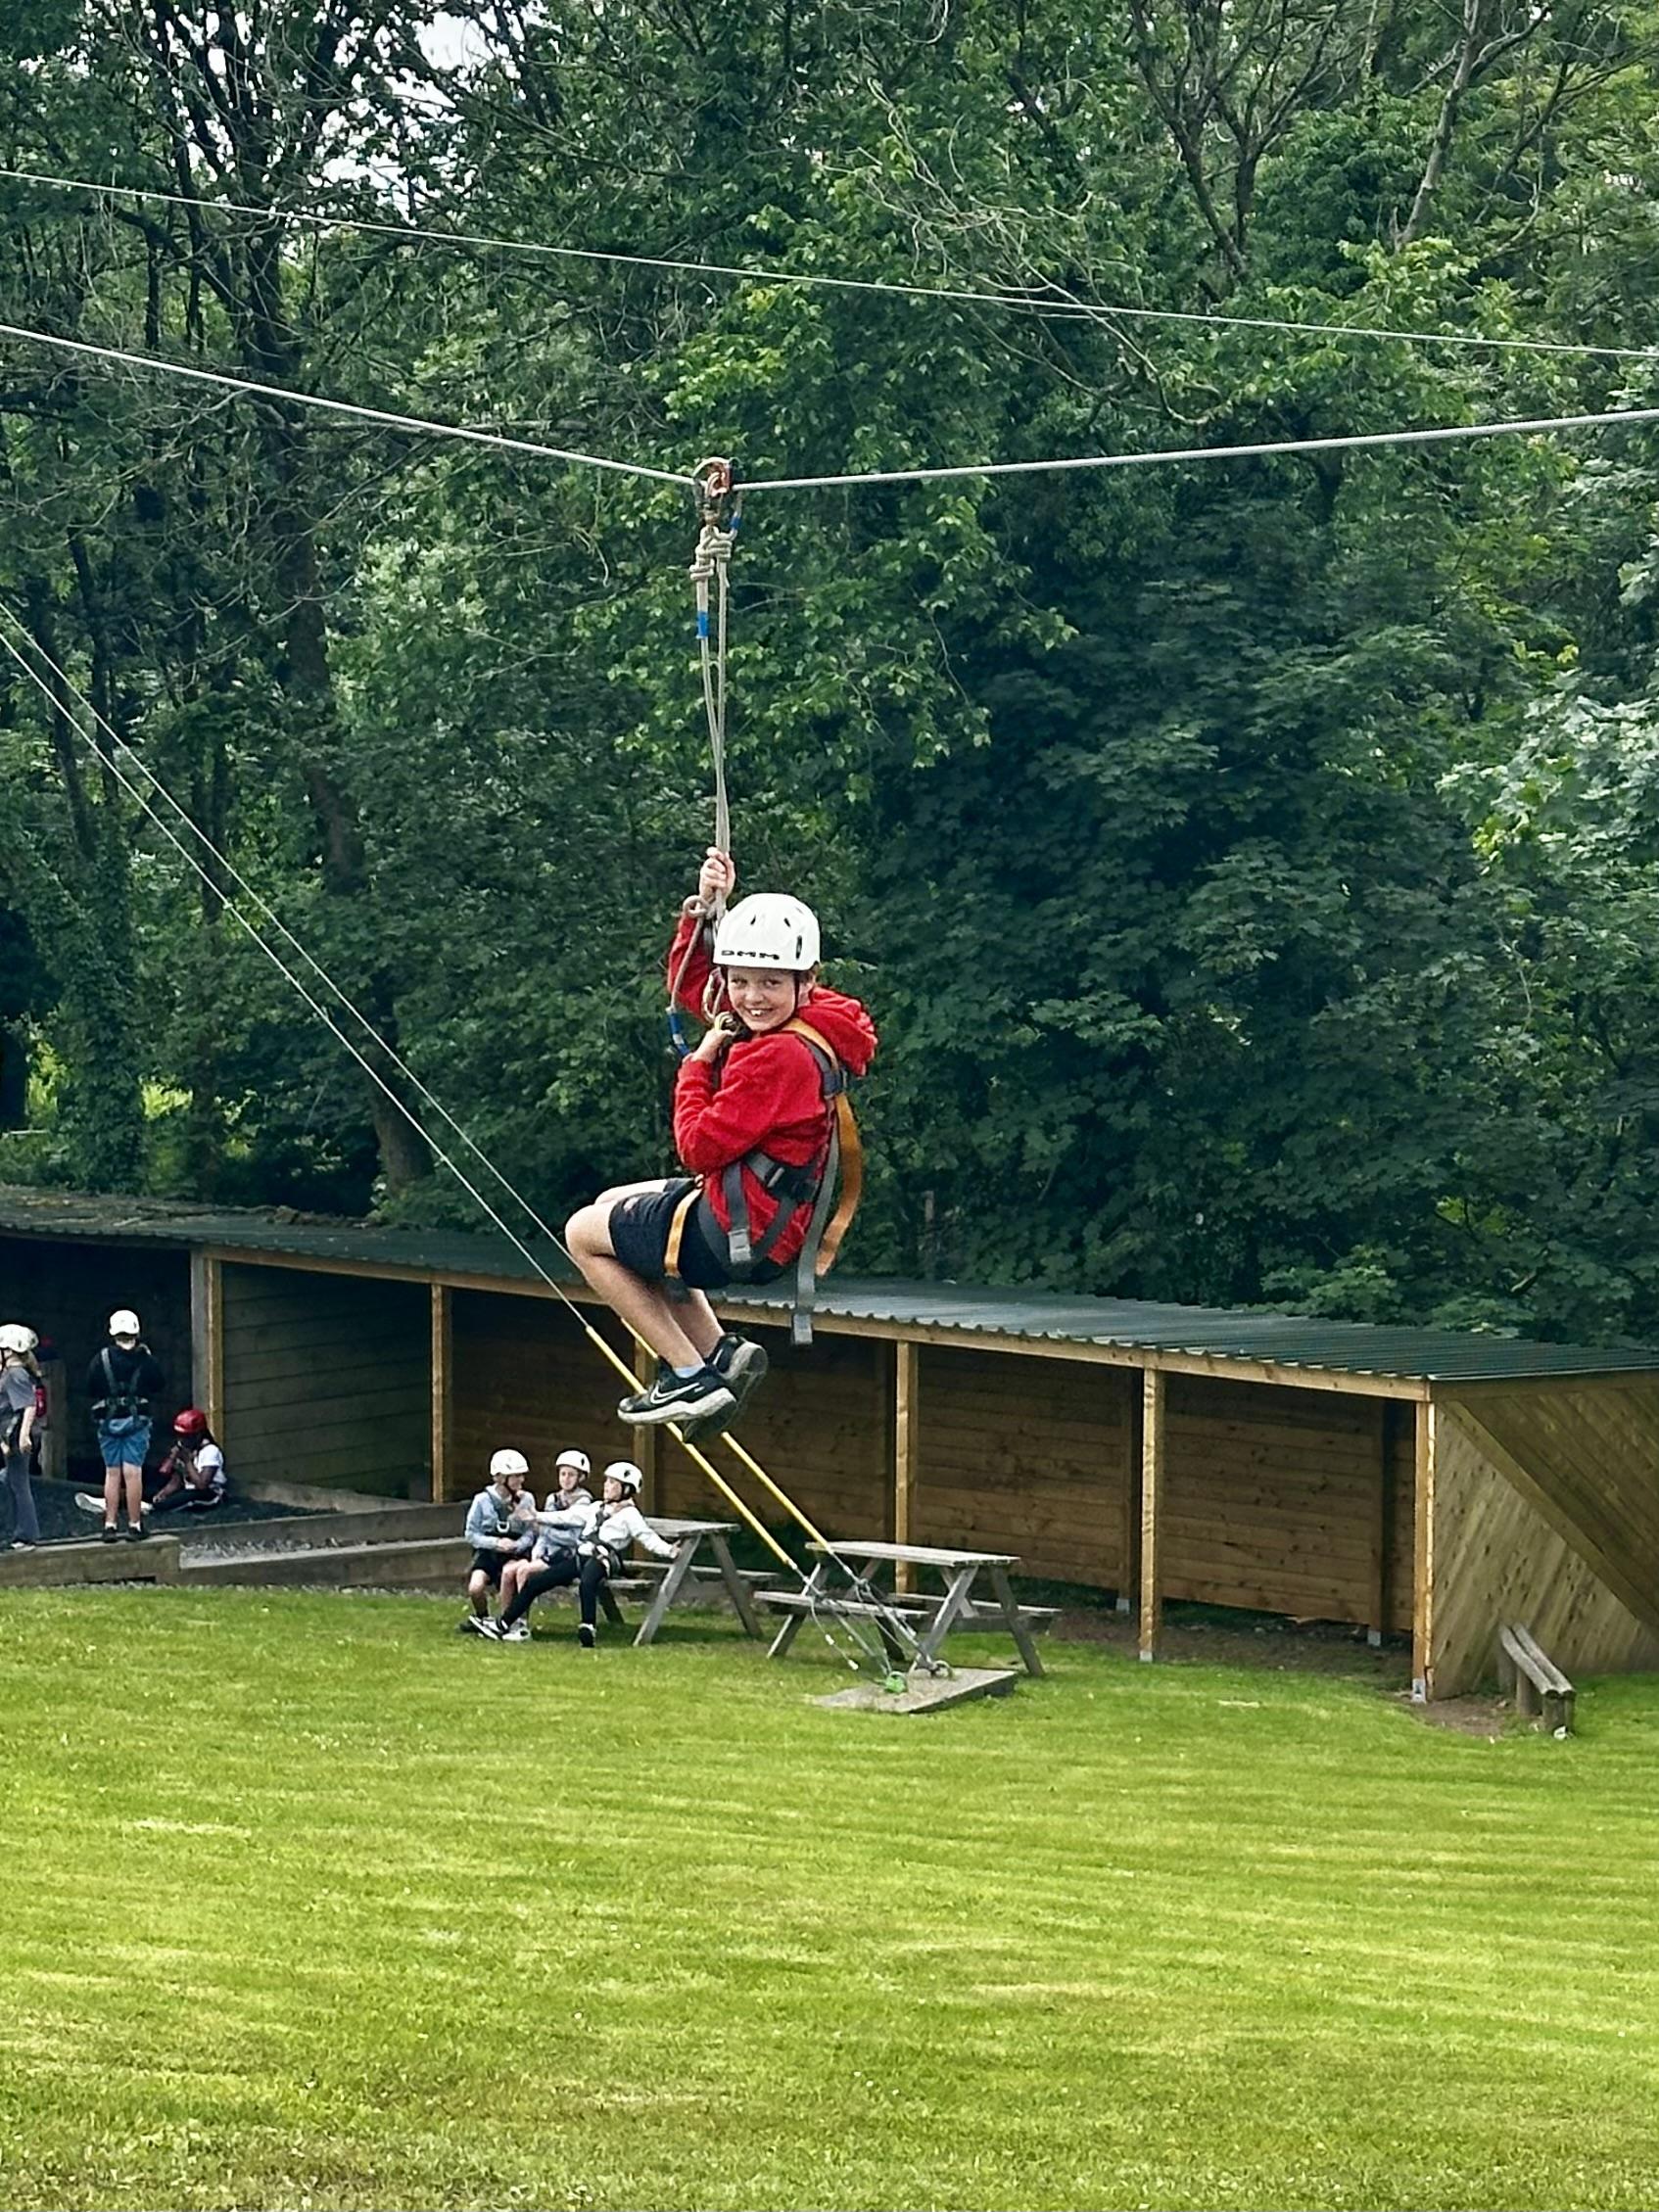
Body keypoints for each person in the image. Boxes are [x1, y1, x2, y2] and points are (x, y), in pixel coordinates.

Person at [566, 847, 877, 1433]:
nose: (751, 997)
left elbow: (697, 1146)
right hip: (762, 1216)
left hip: (737, 1232)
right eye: (741, 981)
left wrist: (698, 1065)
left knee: (583, 1235)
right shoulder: (818, 1020)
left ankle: (687, 1374)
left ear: (804, 981)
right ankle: (718, 1352)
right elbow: (696, 990)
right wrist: (705, 913)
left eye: (769, 983)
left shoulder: (776, 1057)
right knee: (613, 1206)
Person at [481, 1460, 677, 1647]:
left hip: (602, 1560)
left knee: (587, 1581)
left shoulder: (630, 1515)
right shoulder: (596, 1507)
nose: (606, 1486)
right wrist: (536, 1516)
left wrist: (669, 1550)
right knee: (535, 1582)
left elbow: (647, 1537)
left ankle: (588, 1627)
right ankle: (503, 1624)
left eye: (612, 1483)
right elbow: (568, 1516)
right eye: (607, 1481)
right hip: (581, 1557)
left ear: (626, 1489)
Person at [87, 1309, 165, 1542]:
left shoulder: (101, 1359)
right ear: (136, 1332)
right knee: (133, 1473)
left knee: (112, 1473)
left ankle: (109, 1525)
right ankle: (135, 1525)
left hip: (108, 1421)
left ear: (113, 1333)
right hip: (137, 1421)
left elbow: (90, 1387)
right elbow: (159, 1384)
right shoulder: (146, 1359)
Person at [498, 1447, 592, 1630]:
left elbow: (573, 1538)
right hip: (547, 1553)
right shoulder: (552, 1499)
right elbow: (542, 1533)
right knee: (509, 1571)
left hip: (566, 1555)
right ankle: (505, 1619)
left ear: (580, 1478)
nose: (566, 1478)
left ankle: (521, 1623)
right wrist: (537, 1550)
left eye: (571, 1475)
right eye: (563, 1474)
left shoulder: (583, 1502)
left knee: (524, 1572)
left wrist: (543, 1529)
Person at [458, 1449, 537, 1633]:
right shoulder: (481, 1500)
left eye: (522, 1475)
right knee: (475, 1588)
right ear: (501, 1478)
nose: (521, 1480)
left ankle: (508, 1621)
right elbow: (471, 1533)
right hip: (489, 1553)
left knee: (511, 1578)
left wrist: (517, 1545)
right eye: (516, 1476)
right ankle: (482, 1617)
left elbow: (531, 1532)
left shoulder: (526, 1500)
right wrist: (495, 1543)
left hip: (514, 1554)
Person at [0, 1322, 41, 1550]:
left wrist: (23, 1435)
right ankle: (20, 1532)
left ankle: (26, 1535)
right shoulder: (11, 1373)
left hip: (15, 1435)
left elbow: (28, 1405)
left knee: (19, 1485)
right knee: (13, 1481)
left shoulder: (15, 1374)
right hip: (11, 1435)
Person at [148, 1408, 229, 1514]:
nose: (181, 1440)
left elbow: (202, 1485)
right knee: (151, 1492)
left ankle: (156, 1509)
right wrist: (164, 1493)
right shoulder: (186, 1449)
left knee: (171, 1504)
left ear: (198, 1435)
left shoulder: (210, 1451)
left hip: (209, 1493)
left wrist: (187, 1461)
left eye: (186, 1437)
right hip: (188, 1489)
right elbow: (177, 1479)